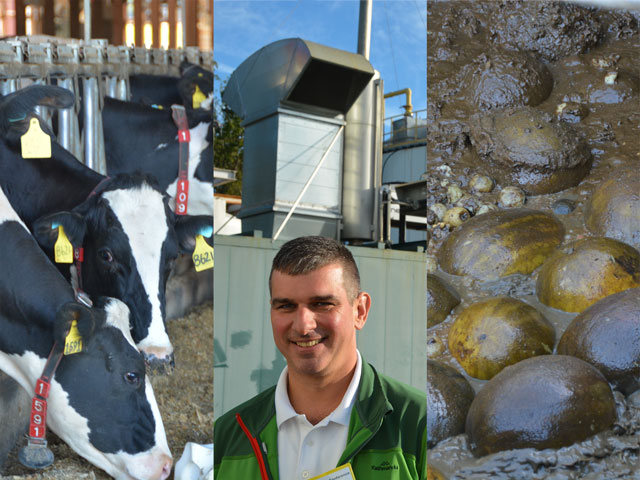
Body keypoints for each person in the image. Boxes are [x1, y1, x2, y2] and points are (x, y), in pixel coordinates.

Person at [214, 236, 426, 479]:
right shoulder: (229, 434)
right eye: (286, 306)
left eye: (322, 304)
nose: (303, 326)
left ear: (360, 311)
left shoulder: (418, 424)